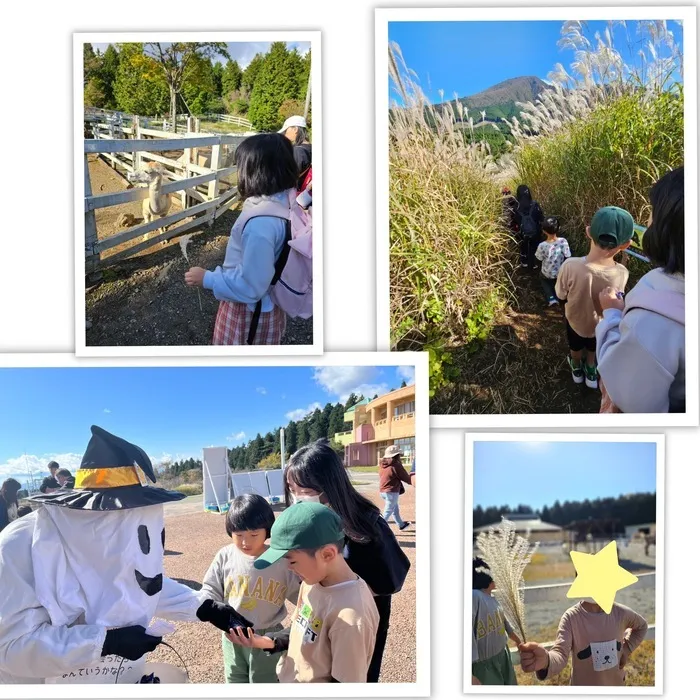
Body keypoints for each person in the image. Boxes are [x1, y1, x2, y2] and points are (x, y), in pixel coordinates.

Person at [0, 425, 251, 684]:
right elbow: (10, 647)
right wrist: (106, 643)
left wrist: (205, 607)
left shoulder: (114, 531)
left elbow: (141, 583)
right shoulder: (20, 546)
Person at [283, 439, 410, 682]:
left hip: (353, 623)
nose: (297, 497)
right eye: (292, 489)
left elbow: (392, 577)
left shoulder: (366, 524)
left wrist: (349, 590)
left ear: (329, 486)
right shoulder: (304, 519)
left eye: (306, 491)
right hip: (319, 617)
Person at [228, 501, 380, 683]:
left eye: (291, 561)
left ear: (327, 554)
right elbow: (303, 627)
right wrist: (270, 641)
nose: (287, 568)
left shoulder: (352, 618)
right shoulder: (311, 582)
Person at [184, 133, 299, 346]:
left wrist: (207, 279)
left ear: (255, 172)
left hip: (248, 314)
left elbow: (251, 286)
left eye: (241, 167)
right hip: (267, 304)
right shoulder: (285, 201)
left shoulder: (261, 225)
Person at [596, 166, 685, 413]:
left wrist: (612, 315)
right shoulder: (624, 274)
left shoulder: (652, 323)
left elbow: (631, 400)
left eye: (653, 213)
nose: (648, 220)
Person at [201, 494, 300, 683]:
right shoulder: (225, 555)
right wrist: (213, 611)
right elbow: (210, 588)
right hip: (232, 632)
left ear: (267, 531)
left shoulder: (279, 561)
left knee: (265, 681)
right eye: (239, 535)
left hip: (267, 634)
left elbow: (302, 597)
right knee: (235, 677)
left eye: (254, 535)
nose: (246, 542)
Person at [555, 206, 633, 390]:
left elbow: (560, 295)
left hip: (575, 321)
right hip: (601, 327)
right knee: (593, 348)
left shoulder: (570, 266)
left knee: (575, 348)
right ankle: (591, 369)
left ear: (588, 232)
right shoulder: (622, 273)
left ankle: (576, 368)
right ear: (626, 245)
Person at [519, 600, 648, 686]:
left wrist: (626, 648)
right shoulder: (572, 617)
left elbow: (641, 626)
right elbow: (560, 653)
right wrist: (547, 661)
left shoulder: (621, 613)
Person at [471, 558, 521, 685]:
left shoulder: (493, 600)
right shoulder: (475, 596)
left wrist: (518, 640)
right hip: (483, 665)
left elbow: (505, 624)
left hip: (503, 656)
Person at [535, 216, 571, 306]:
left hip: (547, 272)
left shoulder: (542, 245)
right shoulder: (563, 241)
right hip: (560, 272)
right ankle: (560, 296)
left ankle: (551, 298)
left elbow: (538, 258)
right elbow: (568, 256)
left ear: (543, 231)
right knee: (557, 282)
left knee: (544, 280)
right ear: (558, 228)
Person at [379, 445, 412, 531]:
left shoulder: (383, 465)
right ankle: (378, 528)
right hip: (391, 492)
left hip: (383, 491)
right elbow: (406, 478)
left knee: (394, 509)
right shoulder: (396, 465)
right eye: (399, 455)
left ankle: (401, 525)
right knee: (388, 511)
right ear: (396, 456)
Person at [279, 115, 312, 193]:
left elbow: (289, 178)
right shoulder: (310, 147)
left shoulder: (298, 151)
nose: (284, 134)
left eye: (286, 130)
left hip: (295, 195)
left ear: (295, 129)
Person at [514, 185, 544, 269]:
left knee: (523, 243)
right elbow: (541, 218)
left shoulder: (516, 207)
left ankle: (524, 261)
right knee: (535, 244)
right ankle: (535, 263)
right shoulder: (535, 204)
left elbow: (514, 222)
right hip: (536, 232)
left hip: (522, 234)